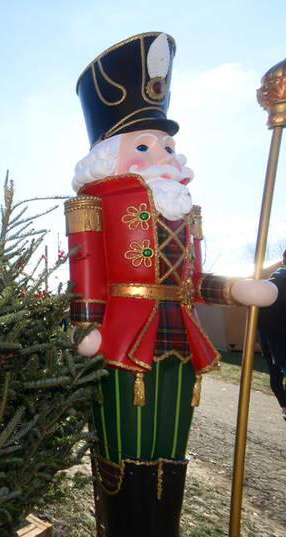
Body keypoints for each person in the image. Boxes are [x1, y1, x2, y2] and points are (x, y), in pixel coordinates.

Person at [66, 32, 278, 536]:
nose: (164, 153)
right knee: (126, 449)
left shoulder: (182, 209)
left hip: (180, 340)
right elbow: (87, 267)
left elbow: (190, 280)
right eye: (145, 144)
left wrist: (235, 289)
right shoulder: (94, 203)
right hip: (122, 341)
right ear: (108, 154)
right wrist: (85, 326)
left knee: (170, 449)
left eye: (167, 144)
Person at [258, 252, 286, 419]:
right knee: (276, 375)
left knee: (275, 377)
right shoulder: (278, 283)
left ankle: (284, 406)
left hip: (268, 337)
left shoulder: (269, 283)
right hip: (276, 338)